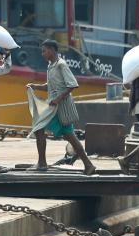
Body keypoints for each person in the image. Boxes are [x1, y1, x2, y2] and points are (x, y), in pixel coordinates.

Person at [29, 40, 96, 175]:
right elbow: (50, 86)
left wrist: (58, 99)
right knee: (66, 135)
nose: (42, 54)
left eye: (44, 51)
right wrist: (35, 86)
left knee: (43, 129)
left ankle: (42, 163)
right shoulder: (51, 66)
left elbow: (72, 84)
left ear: (52, 50)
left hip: (61, 107)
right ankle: (88, 165)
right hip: (54, 106)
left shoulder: (61, 65)